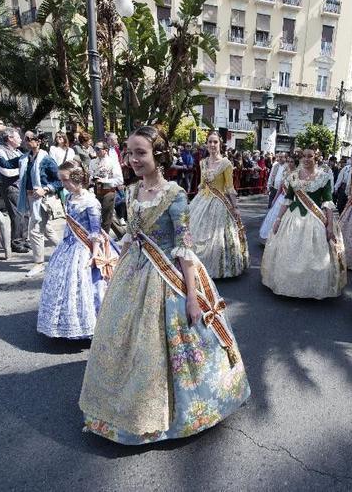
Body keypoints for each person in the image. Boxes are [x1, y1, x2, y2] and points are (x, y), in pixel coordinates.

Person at [79, 125, 250, 445]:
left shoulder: (175, 195)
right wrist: (117, 270)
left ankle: (175, 412)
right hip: (136, 272)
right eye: (129, 152)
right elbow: (130, 235)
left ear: (158, 154)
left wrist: (191, 297)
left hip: (169, 276)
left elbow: (185, 249)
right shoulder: (130, 193)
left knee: (171, 346)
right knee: (124, 339)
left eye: (140, 152)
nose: (132, 159)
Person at [36, 160, 119, 339]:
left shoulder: (90, 201)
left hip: (86, 246)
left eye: (65, 180)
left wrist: (95, 254)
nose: (63, 184)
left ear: (77, 179)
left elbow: (96, 230)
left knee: (90, 286)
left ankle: (95, 324)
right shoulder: (69, 196)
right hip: (69, 244)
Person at [261, 147, 347, 299]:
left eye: (310, 156)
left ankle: (310, 288)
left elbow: (328, 202)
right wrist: (278, 219)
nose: (307, 159)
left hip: (314, 219)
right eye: (304, 156)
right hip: (292, 217)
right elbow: (287, 200)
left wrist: (329, 225)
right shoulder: (293, 176)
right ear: (300, 158)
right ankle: (287, 284)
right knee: (288, 251)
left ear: (316, 158)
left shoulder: (323, 177)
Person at [1, 131, 64, 277]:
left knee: (35, 231)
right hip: (29, 198)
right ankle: (67, 249)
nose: (27, 141)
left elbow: (60, 180)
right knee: (46, 230)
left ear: (38, 141)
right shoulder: (24, 158)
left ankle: (39, 263)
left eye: (30, 139)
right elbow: (6, 164)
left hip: (42, 200)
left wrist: (46, 188)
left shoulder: (46, 160)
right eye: (25, 139)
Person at [188, 131, 249, 278]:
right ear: (206, 144)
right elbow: (202, 184)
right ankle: (192, 266)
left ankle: (220, 267)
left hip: (219, 202)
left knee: (218, 238)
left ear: (220, 144)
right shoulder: (202, 162)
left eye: (215, 142)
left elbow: (229, 187)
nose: (212, 145)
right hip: (202, 200)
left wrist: (235, 208)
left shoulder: (226, 163)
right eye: (209, 142)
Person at [0, 128, 29, 253]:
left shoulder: (17, 151)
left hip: (21, 186)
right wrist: (24, 170)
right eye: (18, 137)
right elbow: (6, 171)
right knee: (17, 215)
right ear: (10, 138)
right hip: (10, 187)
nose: (20, 139)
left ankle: (24, 239)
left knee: (26, 214)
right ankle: (16, 242)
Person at [259, 154, 297, 243]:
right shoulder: (285, 172)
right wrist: (274, 199)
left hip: (291, 200)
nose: (290, 164)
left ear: (295, 163)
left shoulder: (297, 175)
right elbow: (280, 187)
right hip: (281, 198)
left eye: (292, 162)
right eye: (289, 161)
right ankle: (268, 238)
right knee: (274, 217)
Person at [89, 141, 123, 233]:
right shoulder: (92, 162)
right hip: (96, 191)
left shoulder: (112, 162)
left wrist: (104, 181)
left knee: (106, 218)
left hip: (108, 191)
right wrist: (92, 180)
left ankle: (104, 239)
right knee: (98, 216)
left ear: (105, 150)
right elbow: (90, 176)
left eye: (98, 149)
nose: (95, 151)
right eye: (94, 148)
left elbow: (119, 180)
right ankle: (121, 233)